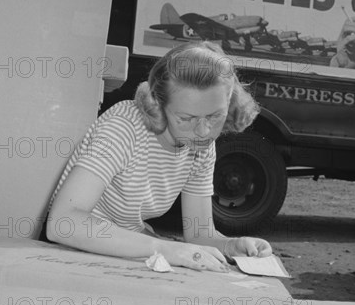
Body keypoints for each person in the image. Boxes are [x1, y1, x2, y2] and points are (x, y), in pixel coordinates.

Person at [46, 41, 272, 273]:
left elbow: (199, 234)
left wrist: (231, 245)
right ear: (157, 104)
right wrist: (163, 248)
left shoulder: (200, 144)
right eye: (185, 118)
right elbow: (63, 223)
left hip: (127, 254)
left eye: (215, 116)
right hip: (73, 253)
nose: (204, 131)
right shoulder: (123, 128)